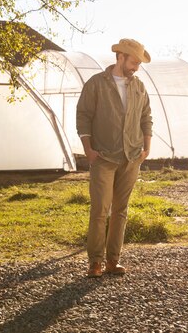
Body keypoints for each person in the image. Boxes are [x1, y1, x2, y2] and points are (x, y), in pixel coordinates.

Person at [76, 38, 153, 277]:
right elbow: (84, 116)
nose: (136, 67)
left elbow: (146, 117)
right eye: (133, 62)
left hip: (131, 156)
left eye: (139, 63)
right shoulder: (96, 84)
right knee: (100, 209)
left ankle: (112, 261)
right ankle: (95, 262)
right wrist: (88, 149)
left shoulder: (139, 86)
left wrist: (146, 148)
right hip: (104, 157)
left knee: (121, 210)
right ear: (120, 57)